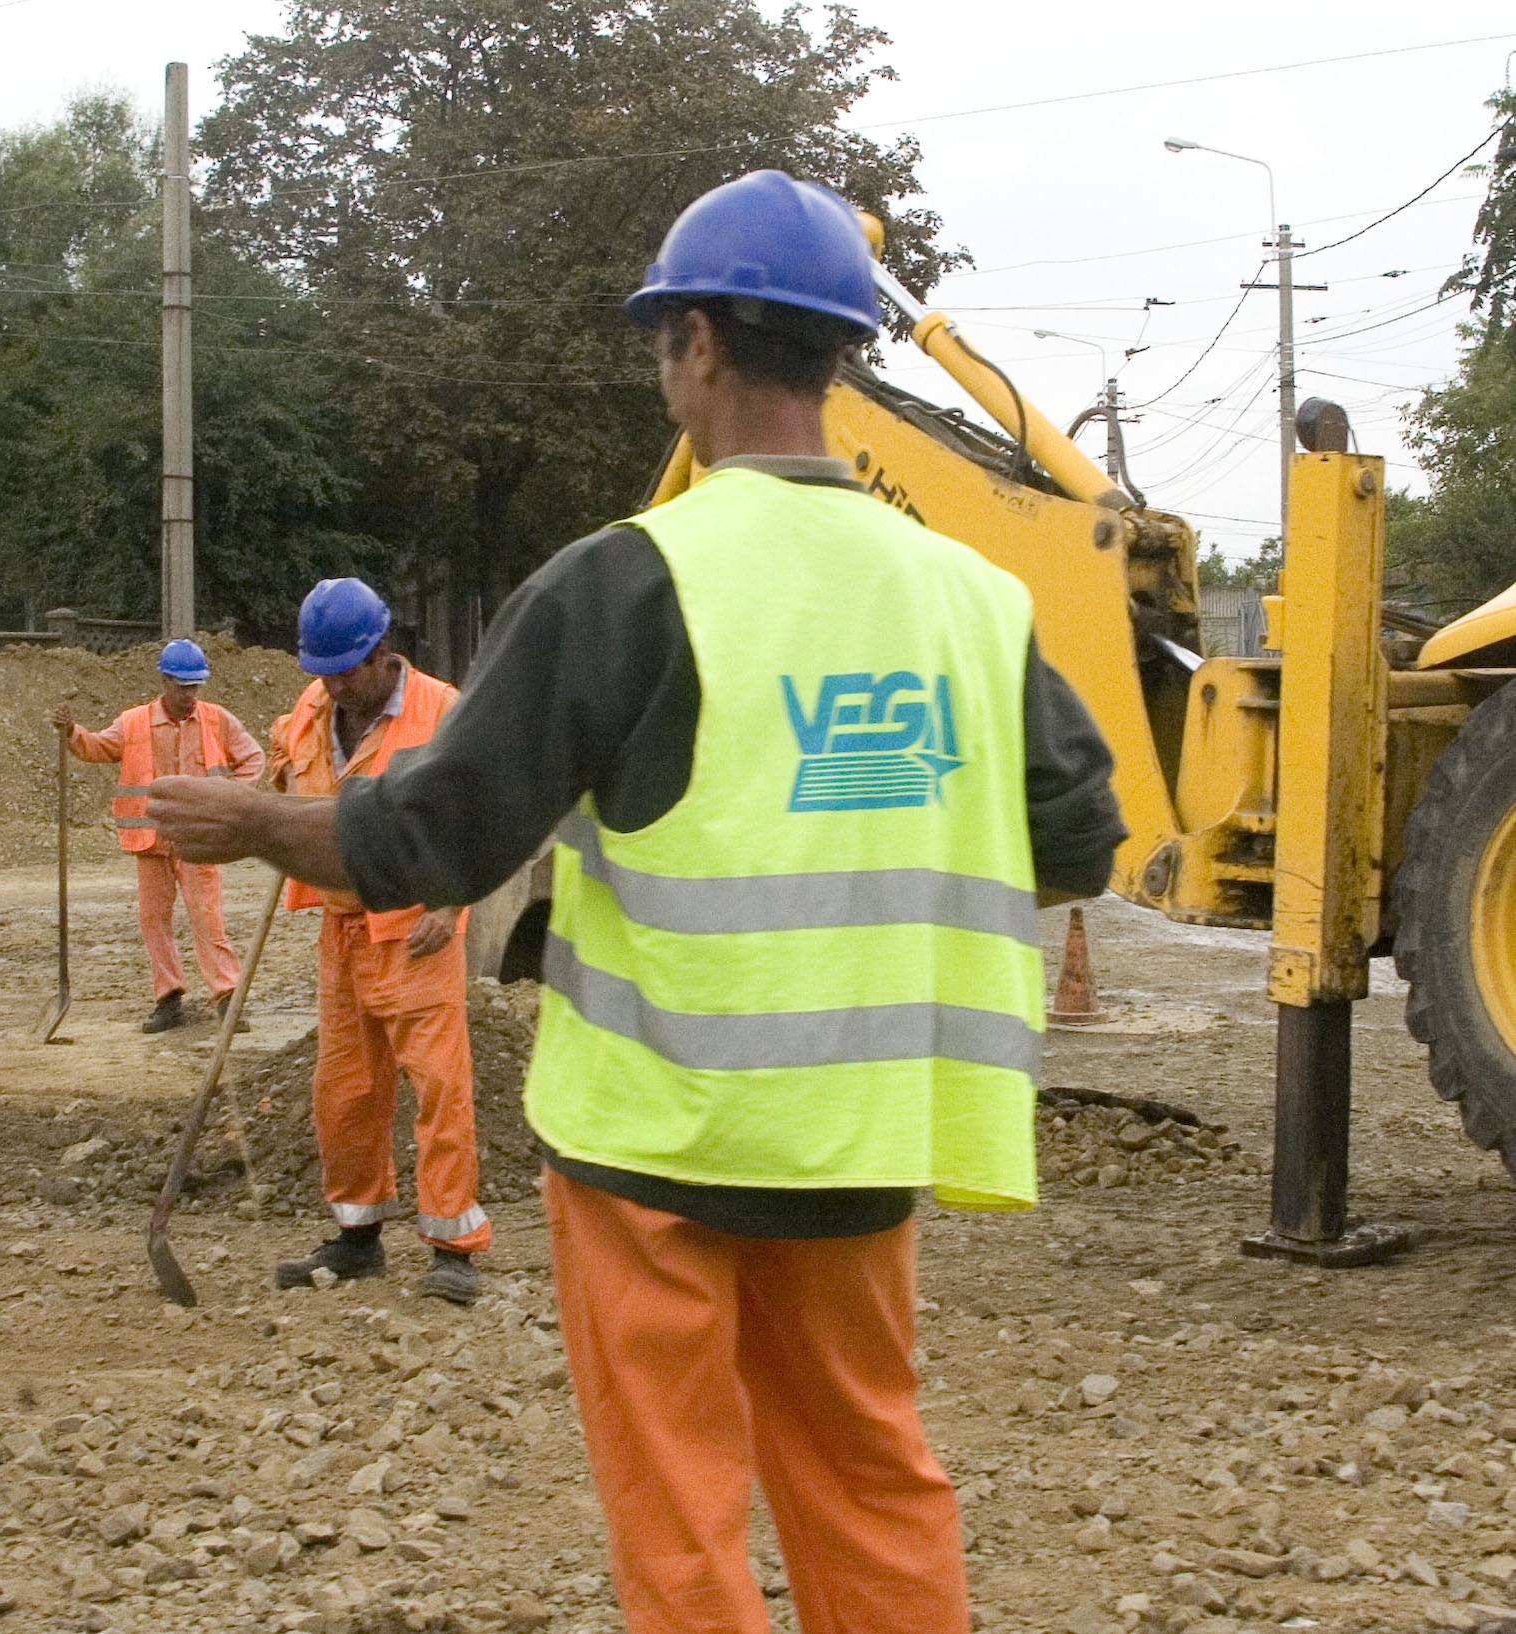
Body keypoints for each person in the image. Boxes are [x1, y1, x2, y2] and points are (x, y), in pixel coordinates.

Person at [146, 170, 1125, 1634]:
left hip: (653, 1143)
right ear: (838, 352)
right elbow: (1078, 838)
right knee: (870, 1477)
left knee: (677, 1508)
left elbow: (437, 836)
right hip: (859, 1141)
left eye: (665, 334)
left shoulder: (628, 580)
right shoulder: (965, 593)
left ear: (704, 345)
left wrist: (256, 821)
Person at [265, 578, 489, 1306]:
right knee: (344, 1093)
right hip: (341, 929)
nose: (330, 687)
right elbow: (285, 762)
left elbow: (479, 818)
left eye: (342, 672)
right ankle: (357, 1236)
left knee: (438, 1088)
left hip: (414, 930)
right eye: (319, 674)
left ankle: (451, 1247)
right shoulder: (311, 709)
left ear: (381, 654)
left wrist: (452, 898)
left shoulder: (440, 712)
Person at [50, 638, 264, 1033]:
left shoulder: (216, 720)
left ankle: (227, 997)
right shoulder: (133, 723)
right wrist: (72, 732)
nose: (190, 694)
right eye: (183, 686)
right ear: (165, 680)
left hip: (197, 839)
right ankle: (168, 999)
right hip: (151, 840)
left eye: (195, 686)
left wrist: (228, 796)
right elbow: (97, 747)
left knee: (207, 918)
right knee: (153, 920)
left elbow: (253, 758)